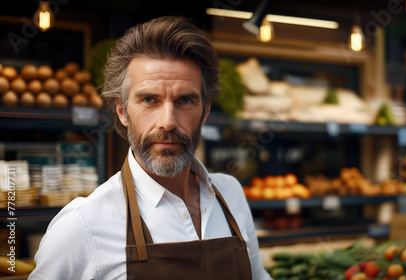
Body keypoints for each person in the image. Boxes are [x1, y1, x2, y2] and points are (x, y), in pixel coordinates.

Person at [29, 16, 271, 280]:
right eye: (149, 99)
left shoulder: (230, 195)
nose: (167, 121)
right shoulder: (82, 225)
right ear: (122, 110)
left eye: (185, 100)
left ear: (205, 111)